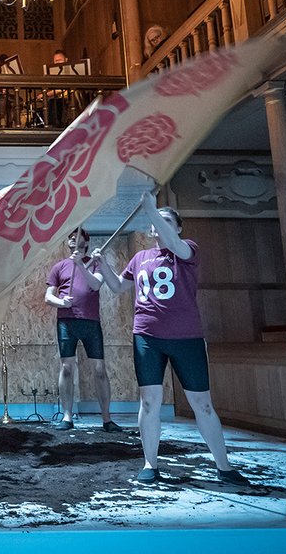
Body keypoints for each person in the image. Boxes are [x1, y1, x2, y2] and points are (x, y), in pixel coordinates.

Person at [92, 192, 248, 485]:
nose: (158, 225)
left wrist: (151, 210)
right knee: (149, 402)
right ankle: (150, 464)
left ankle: (224, 466)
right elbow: (116, 288)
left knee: (202, 404)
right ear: (151, 229)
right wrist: (103, 266)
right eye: (155, 221)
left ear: (177, 227)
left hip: (186, 337)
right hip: (147, 337)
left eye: (166, 221)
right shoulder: (140, 258)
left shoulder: (187, 249)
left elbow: (174, 244)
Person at [45, 227, 123, 433]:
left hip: (90, 322)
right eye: (70, 237)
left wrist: (80, 264)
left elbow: (96, 285)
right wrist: (61, 302)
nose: (74, 239)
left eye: (78, 237)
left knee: (99, 370)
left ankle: (107, 419)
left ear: (86, 243)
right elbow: (48, 296)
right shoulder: (59, 266)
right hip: (67, 322)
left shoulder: (95, 262)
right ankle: (67, 416)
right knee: (67, 368)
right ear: (68, 242)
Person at [46, 49, 69, 127]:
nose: (57, 63)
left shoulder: (71, 71)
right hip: (61, 100)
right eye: (56, 61)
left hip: (70, 100)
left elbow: (62, 88)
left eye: (60, 60)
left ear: (66, 60)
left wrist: (46, 94)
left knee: (53, 103)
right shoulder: (53, 73)